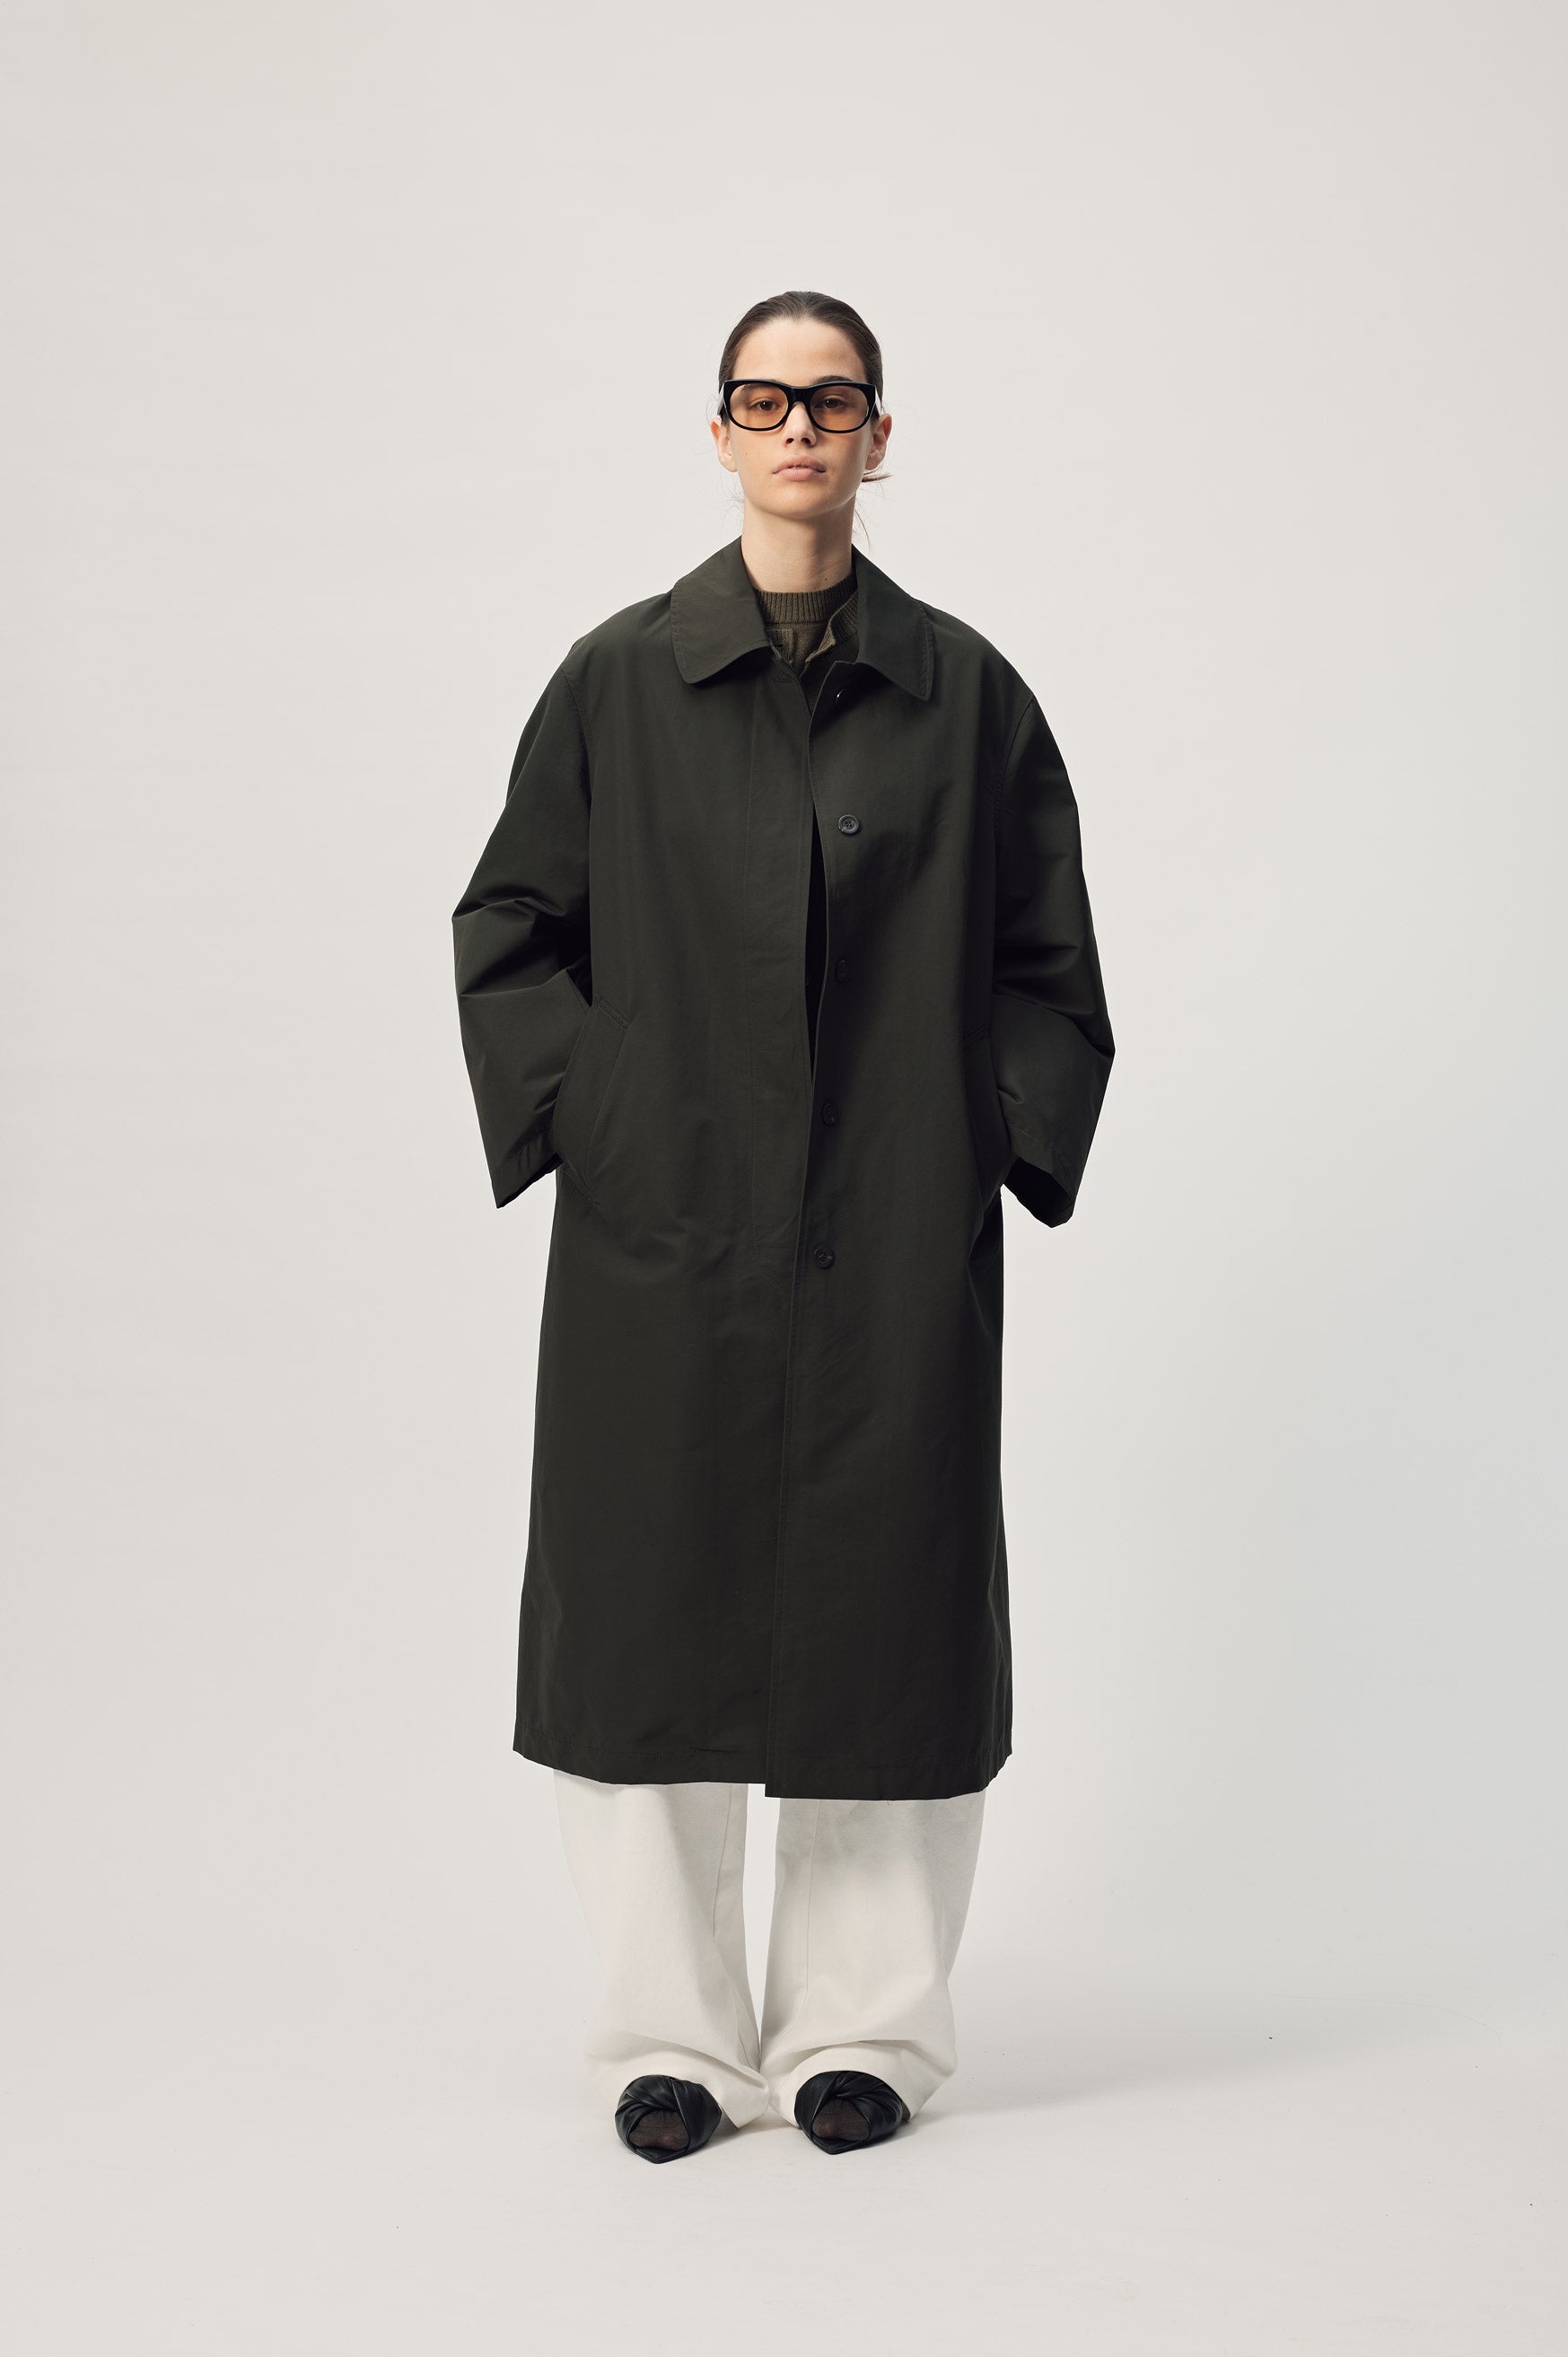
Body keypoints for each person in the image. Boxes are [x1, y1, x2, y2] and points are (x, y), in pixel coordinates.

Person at [451, 291, 1114, 2161]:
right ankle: (668, 2036)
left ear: (879, 436)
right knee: (647, 1613)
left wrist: (975, 1145)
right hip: (666, 1236)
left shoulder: (965, 695)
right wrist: (601, 1119)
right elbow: (512, 929)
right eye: (766, 399)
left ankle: (864, 2034)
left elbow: (1048, 965)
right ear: (722, 432)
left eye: (833, 401)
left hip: (892, 1235)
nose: (801, 429)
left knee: (887, 1614)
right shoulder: (618, 681)